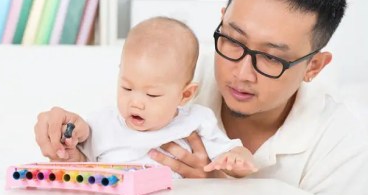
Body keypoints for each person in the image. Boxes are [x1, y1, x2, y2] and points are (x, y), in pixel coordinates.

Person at [35, 0, 368, 195]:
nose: (240, 73)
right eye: (233, 40)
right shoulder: (172, 75)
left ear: (314, 67)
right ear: (222, 20)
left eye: (271, 58)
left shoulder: (343, 147)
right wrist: (67, 136)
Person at [35, 16, 256, 178]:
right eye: (127, 88)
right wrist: (69, 153)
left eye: (152, 94)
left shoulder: (196, 121)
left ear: (185, 95)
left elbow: (229, 155)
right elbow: (83, 165)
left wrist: (237, 158)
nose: (136, 102)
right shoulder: (102, 124)